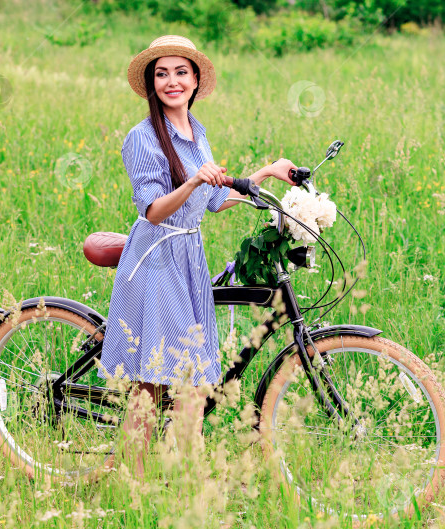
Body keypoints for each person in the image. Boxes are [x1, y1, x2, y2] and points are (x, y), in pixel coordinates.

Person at [98, 35, 297, 475]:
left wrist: (263, 175)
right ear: (152, 83)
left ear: (195, 79)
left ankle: (182, 473)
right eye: (161, 73)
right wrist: (190, 182)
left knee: (191, 374)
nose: (171, 81)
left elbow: (211, 201)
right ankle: (135, 479)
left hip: (188, 254)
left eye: (180, 72)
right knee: (157, 381)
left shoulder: (195, 129)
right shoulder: (142, 137)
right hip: (156, 257)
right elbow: (152, 210)